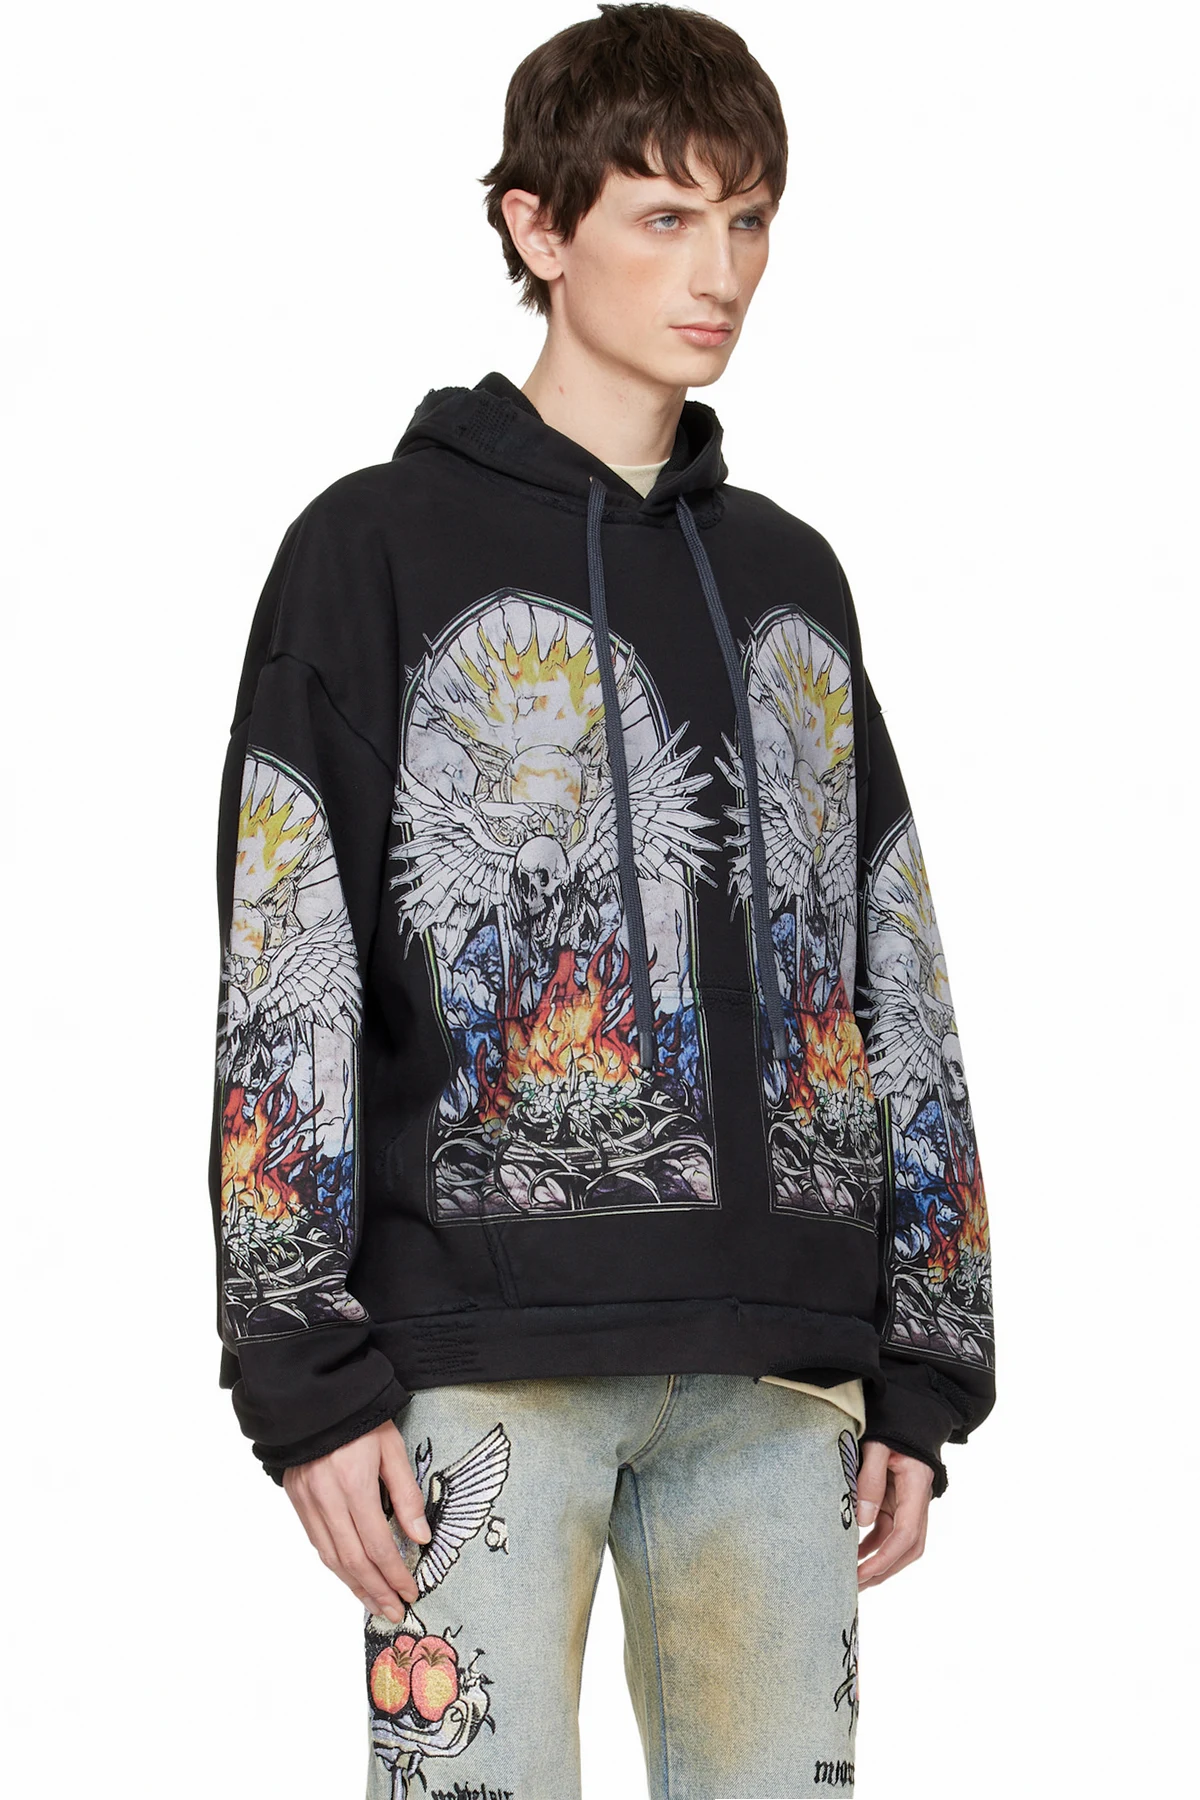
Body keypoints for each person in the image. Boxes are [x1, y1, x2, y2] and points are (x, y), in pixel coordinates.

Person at [209, 6, 995, 1795]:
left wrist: (928, 1347)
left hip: (781, 1383)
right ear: (537, 226)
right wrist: (300, 1366)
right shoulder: (371, 547)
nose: (721, 273)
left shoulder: (793, 575)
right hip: (479, 1372)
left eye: (750, 218)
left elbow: (887, 953)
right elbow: (287, 950)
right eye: (664, 216)